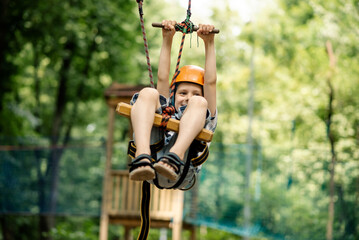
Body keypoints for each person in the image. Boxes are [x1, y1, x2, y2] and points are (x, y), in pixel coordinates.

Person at [128, 20, 217, 189]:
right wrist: (167, 39)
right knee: (148, 92)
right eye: (183, 93)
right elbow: (162, 78)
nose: (188, 98)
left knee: (199, 104)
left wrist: (209, 43)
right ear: (173, 94)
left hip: (182, 169)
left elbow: (210, 83)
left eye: (195, 93)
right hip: (152, 163)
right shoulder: (167, 108)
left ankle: (175, 154)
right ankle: (142, 154)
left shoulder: (206, 114)